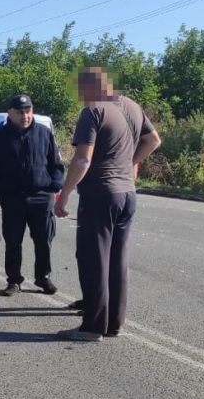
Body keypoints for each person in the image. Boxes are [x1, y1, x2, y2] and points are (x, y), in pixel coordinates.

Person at [54, 66, 161, 341]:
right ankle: (113, 322)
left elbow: (82, 160)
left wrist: (64, 194)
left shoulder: (93, 111)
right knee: (117, 260)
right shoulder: (132, 107)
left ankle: (92, 327)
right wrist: (130, 163)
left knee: (94, 260)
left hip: (100, 194)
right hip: (127, 194)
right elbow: (153, 140)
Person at [0, 93, 65, 296]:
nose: (25, 116)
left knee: (44, 240)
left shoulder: (44, 133)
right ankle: (14, 281)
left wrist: (54, 186)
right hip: (12, 198)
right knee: (13, 242)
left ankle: (43, 278)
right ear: (10, 113)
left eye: (28, 111)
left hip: (41, 196)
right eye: (20, 112)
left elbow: (56, 164)